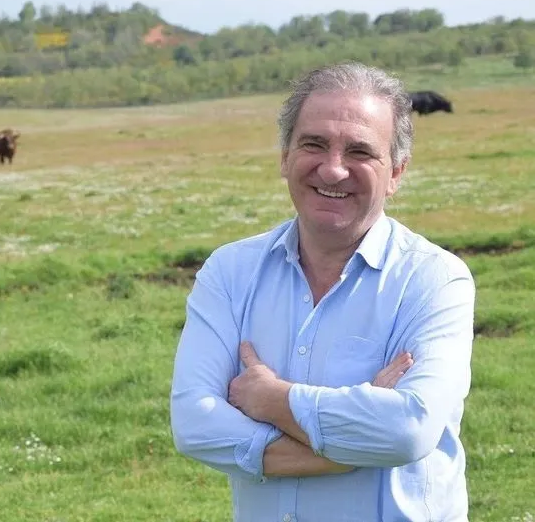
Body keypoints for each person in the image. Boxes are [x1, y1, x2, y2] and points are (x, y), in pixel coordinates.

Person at [170, 62, 475, 521]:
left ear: (395, 172)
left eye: (359, 152)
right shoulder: (230, 272)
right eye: (313, 144)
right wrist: (350, 441)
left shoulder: (435, 280)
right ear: (284, 156)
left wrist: (272, 400)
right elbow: (195, 425)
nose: (333, 170)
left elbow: (408, 432)